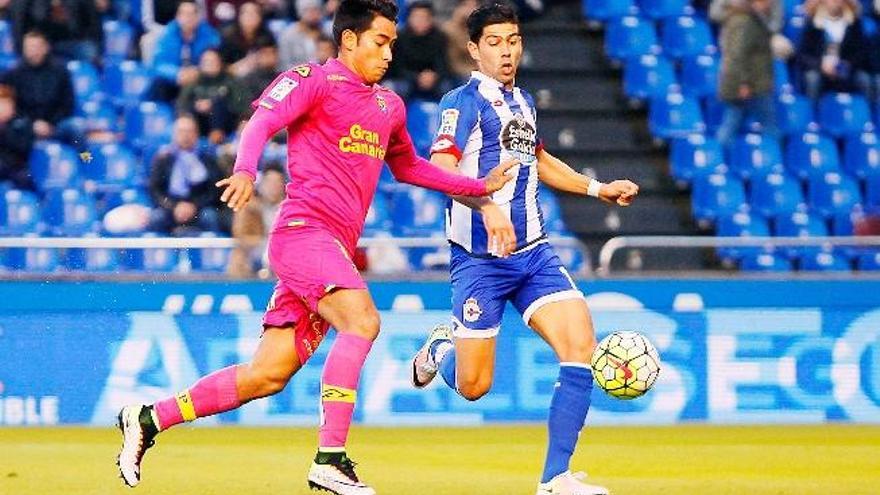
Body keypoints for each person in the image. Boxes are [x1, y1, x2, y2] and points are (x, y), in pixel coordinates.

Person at [115, 1, 515, 494]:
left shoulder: (388, 107)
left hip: (333, 251)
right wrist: (245, 169)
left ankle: (149, 418)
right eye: (380, 41)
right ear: (349, 40)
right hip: (302, 234)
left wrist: (478, 187)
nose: (390, 53)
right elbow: (261, 122)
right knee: (363, 321)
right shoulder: (313, 81)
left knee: (267, 375)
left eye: (392, 42)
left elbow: (409, 166)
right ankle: (331, 458)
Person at [408, 4, 639, 495]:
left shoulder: (524, 102)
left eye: (512, 39)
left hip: (534, 255)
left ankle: (555, 478)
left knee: (579, 347)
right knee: (474, 386)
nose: (506, 50)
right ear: (473, 49)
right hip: (479, 263)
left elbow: (538, 160)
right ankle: (440, 348)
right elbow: (439, 166)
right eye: (494, 41)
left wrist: (598, 190)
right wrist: (486, 205)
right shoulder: (461, 103)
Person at [715, 0, 779, 149]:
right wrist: (743, 83)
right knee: (770, 127)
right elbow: (737, 55)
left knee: (732, 122)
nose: (770, 3)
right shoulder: (745, 21)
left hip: (749, 82)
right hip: (751, 84)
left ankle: (721, 157)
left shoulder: (750, 18)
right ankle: (774, 159)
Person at [147, 115, 225, 235]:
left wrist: (194, 206)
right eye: (181, 131)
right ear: (174, 134)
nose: (186, 135)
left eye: (190, 131)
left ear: (197, 134)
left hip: (199, 207)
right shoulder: (163, 158)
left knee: (210, 217)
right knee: (156, 218)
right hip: (170, 208)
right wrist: (174, 207)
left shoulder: (207, 158)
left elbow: (215, 190)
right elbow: (155, 189)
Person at [0, 31, 76, 143]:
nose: (31, 51)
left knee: (75, 129)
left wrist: (51, 123)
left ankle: (86, 159)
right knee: (15, 128)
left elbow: (67, 103)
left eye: (35, 47)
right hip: (25, 124)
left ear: (45, 48)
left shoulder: (60, 71)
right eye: (28, 47)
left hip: (56, 124)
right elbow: (9, 106)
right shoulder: (13, 74)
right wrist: (32, 123)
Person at [796, 0, 871, 98]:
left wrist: (848, 65)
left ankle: (868, 111)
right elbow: (802, 55)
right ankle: (812, 111)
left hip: (846, 68)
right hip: (820, 69)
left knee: (864, 79)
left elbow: (861, 53)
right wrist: (821, 65)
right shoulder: (812, 22)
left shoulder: (854, 22)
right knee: (813, 79)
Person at [148, 1, 221, 101]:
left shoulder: (209, 35)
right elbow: (159, 64)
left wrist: (198, 72)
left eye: (192, 14)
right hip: (175, 80)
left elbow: (215, 59)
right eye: (184, 14)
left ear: (198, 17)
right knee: (158, 84)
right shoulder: (168, 35)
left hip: (200, 80)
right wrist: (177, 74)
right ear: (178, 16)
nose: (188, 18)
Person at [227, 164, 285, 278]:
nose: (274, 186)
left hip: (284, 251)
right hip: (256, 250)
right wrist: (266, 243)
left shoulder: (292, 208)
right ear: (262, 184)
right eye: (269, 182)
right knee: (238, 255)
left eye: (277, 182)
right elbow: (241, 235)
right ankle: (241, 287)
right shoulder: (249, 206)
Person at [386, 1, 452, 100]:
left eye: (424, 18)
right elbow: (397, 67)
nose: (420, 21)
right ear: (409, 18)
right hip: (407, 78)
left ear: (431, 19)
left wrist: (434, 76)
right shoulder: (399, 38)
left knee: (447, 88)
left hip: (433, 79)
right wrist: (417, 77)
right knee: (397, 88)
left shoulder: (440, 37)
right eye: (417, 17)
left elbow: (444, 65)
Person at [176, 48, 244, 143]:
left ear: (220, 62)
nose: (210, 64)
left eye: (213, 61)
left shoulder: (230, 81)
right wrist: (197, 106)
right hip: (199, 124)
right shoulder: (194, 82)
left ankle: (216, 137)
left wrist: (213, 104)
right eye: (206, 61)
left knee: (218, 103)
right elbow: (181, 105)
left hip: (226, 126)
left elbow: (240, 107)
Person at [218, 1, 276, 77]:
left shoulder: (267, 35)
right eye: (246, 13)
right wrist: (243, 65)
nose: (250, 17)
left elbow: (273, 61)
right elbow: (222, 69)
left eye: (254, 13)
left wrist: (262, 60)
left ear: (260, 17)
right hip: (235, 79)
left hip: (262, 76)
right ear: (239, 16)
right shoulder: (228, 37)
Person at [0, 85, 35, 190]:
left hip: (16, 166)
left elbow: (23, 148)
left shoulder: (22, 123)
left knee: (25, 177)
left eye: (5, 104)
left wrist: (4, 129)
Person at [277, 0, 324, 69]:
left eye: (316, 10)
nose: (314, 14)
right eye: (310, 10)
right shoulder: (288, 35)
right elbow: (284, 64)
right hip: (297, 76)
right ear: (301, 13)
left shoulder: (327, 31)